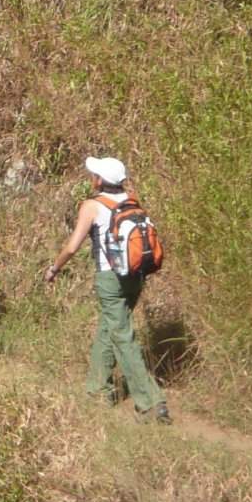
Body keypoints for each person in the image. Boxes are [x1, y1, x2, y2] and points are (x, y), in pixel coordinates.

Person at [45, 156, 170, 423]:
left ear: (99, 181)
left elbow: (71, 247)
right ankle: (98, 390)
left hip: (110, 279)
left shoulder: (92, 206)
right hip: (135, 276)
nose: (93, 178)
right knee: (110, 327)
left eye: (95, 175)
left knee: (122, 335)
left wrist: (54, 268)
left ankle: (151, 403)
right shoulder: (132, 201)